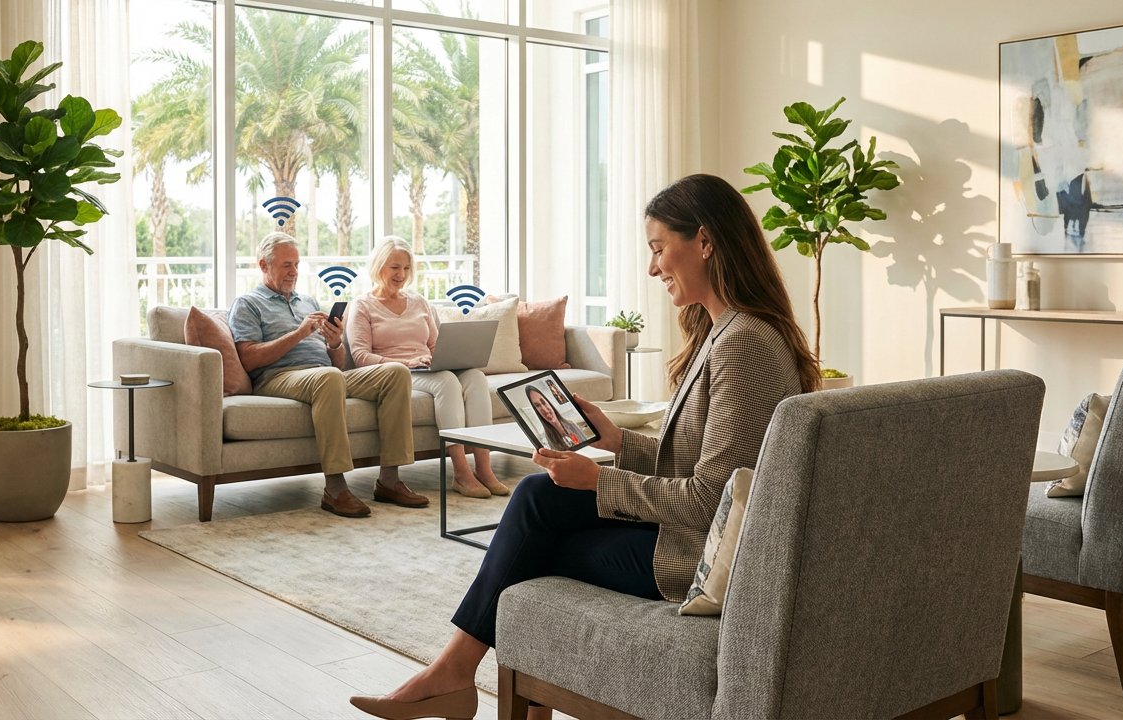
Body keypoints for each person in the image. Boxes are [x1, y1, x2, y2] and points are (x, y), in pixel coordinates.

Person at [349, 174, 821, 720]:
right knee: (534, 497)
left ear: (706, 243)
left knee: (529, 547)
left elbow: (708, 499)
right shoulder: (726, 331)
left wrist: (599, 479)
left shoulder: (743, 342)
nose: (653, 268)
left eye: (659, 248)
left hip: (696, 560)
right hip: (692, 531)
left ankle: (451, 677)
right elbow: (701, 461)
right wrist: (616, 441)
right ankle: (451, 675)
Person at [229, 232, 429, 518]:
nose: (294, 272)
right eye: (286, 265)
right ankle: (335, 488)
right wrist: (299, 334)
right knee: (329, 378)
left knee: (395, 373)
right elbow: (249, 359)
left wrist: (335, 342)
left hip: (325, 375)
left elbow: (337, 362)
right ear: (263, 265)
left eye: (296, 264)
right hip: (279, 377)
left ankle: (389, 480)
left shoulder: (307, 301)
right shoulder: (248, 304)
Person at [345, 236, 508, 498]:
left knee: (476, 377)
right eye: (395, 267)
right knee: (446, 382)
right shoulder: (362, 305)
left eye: (407, 268)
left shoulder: (419, 302)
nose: (402, 274)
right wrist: (406, 362)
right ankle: (461, 473)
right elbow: (361, 356)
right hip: (397, 372)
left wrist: (449, 358)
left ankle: (485, 470)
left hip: (428, 367)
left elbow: (435, 344)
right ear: (378, 266)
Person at [526, 385, 586, 450]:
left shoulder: (571, 424)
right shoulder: (547, 440)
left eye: (543, 402)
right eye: (537, 405)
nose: (545, 410)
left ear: (549, 403)